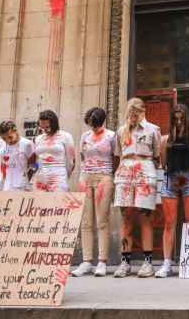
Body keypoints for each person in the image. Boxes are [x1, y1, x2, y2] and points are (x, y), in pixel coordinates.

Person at [155, 104, 189, 278]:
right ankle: (167, 263)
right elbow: (162, 164)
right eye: (175, 118)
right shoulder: (165, 140)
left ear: (187, 119)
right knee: (170, 222)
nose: (178, 121)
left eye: (181, 118)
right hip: (171, 179)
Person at [113, 98, 162, 278]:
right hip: (125, 172)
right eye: (130, 111)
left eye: (136, 111)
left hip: (145, 170)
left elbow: (157, 155)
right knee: (126, 217)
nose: (133, 115)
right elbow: (118, 155)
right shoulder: (120, 131)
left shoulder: (153, 130)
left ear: (143, 111)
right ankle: (125, 262)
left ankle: (147, 262)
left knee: (145, 218)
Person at [71, 108, 117, 278]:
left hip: (104, 176)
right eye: (91, 125)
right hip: (86, 177)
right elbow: (83, 157)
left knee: (102, 220)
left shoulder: (111, 136)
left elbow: (115, 157)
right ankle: (86, 260)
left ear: (102, 121)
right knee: (85, 221)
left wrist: (112, 177)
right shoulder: (85, 136)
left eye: (96, 125)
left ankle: (102, 261)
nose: (93, 128)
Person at [33, 110, 75, 192]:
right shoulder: (38, 138)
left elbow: (71, 161)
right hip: (41, 176)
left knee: (57, 202)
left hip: (58, 176)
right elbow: (36, 159)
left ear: (54, 124)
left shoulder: (65, 136)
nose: (44, 130)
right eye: (42, 127)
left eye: (47, 127)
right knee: (39, 204)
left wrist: (64, 176)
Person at [0, 120, 35, 191]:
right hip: (3, 183)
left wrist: (27, 180)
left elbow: (34, 164)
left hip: (21, 184)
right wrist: (0, 181)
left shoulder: (27, 144)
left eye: (10, 137)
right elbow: (2, 164)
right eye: (4, 138)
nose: (8, 141)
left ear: (15, 131)